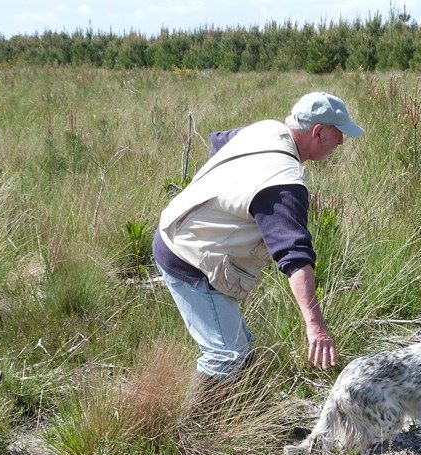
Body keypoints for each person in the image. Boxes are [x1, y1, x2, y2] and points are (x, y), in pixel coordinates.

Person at [153, 92, 365, 401]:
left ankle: (246, 413)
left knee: (240, 346)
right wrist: (315, 325)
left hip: (177, 231)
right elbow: (294, 257)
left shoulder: (265, 129)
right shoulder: (283, 182)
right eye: (338, 134)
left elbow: (219, 141)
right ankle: (189, 437)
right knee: (226, 355)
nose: (341, 143)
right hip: (190, 259)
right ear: (318, 132)